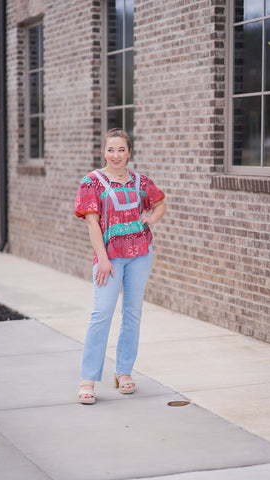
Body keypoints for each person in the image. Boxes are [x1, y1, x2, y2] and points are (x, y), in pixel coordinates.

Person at [74, 128, 166, 404]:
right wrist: (102, 259)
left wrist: (151, 219)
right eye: (111, 150)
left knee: (132, 313)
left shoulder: (140, 181)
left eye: (121, 150)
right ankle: (88, 380)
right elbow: (92, 223)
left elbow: (160, 203)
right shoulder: (92, 182)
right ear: (104, 152)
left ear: (129, 152)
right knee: (101, 314)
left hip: (140, 254)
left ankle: (123, 372)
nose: (116, 155)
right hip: (109, 258)